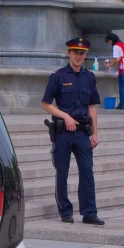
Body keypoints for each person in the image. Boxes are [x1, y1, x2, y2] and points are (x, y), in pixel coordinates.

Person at [41, 37, 104, 225]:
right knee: (62, 172)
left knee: (87, 172)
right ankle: (65, 211)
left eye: (82, 53)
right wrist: (65, 116)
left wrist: (95, 132)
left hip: (83, 132)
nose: (79, 56)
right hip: (63, 132)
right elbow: (45, 104)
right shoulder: (58, 76)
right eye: (75, 52)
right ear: (69, 53)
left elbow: (92, 107)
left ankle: (89, 213)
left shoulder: (89, 77)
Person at [104, 33, 124, 110]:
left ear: (111, 40)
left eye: (108, 42)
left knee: (122, 87)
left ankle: (122, 104)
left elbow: (117, 59)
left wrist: (109, 65)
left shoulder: (115, 46)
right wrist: (112, 61)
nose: (109, 43)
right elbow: (121, 57)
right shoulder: (122, 44)